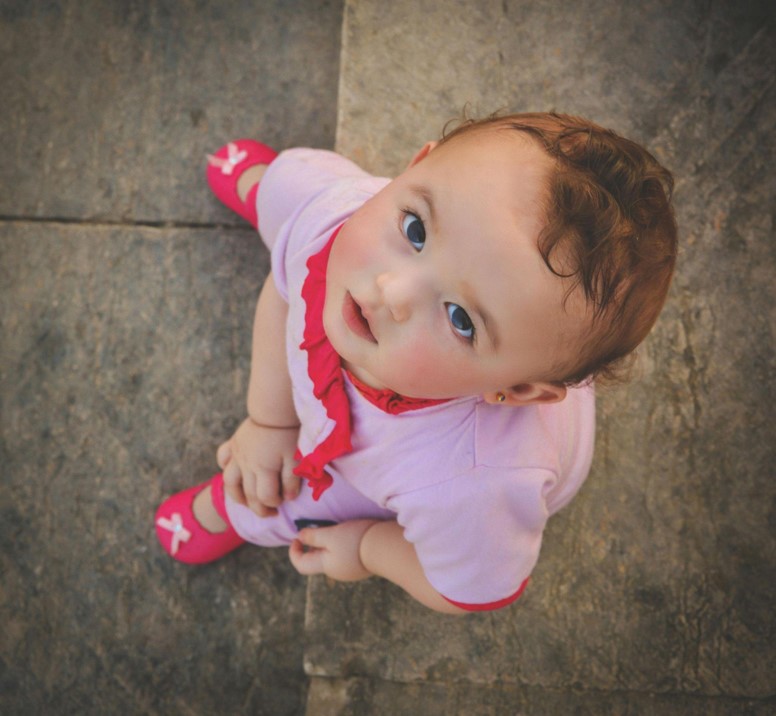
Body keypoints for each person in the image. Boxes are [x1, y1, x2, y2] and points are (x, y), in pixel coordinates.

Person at [155, 112, 677, 614]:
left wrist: (367, 549)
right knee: (303, 196)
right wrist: (269, 421)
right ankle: (271, 195)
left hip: (391, 461)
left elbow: (467, 590)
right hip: (362, 225)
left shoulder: (468, 485)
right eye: (416, 230)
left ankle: (241, 507)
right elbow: (286, 289)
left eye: (460, 319)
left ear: (516, 389)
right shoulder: (343, 227)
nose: (392, 289)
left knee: (284, 493)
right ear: (416, 165)